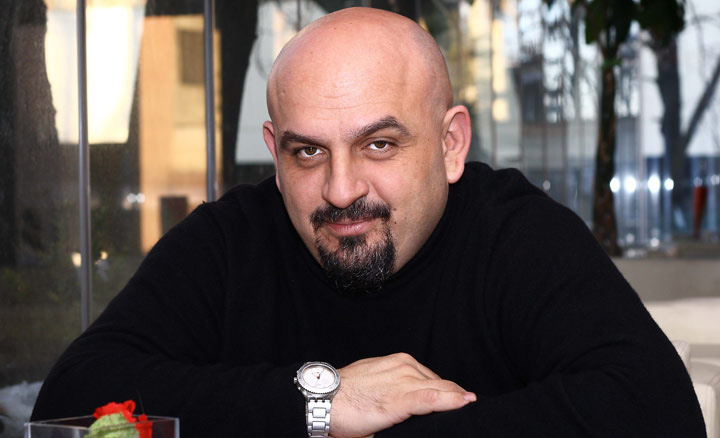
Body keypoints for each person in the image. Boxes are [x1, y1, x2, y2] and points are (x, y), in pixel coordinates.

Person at [32, 7, 705, 438]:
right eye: (307, 152)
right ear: (274, 153)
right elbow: (71, 401)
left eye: (379, 144)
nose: (341, 188)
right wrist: (321, 403)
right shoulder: (230, 241)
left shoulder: (515, 234)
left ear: (450, 145)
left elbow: (656, 409)